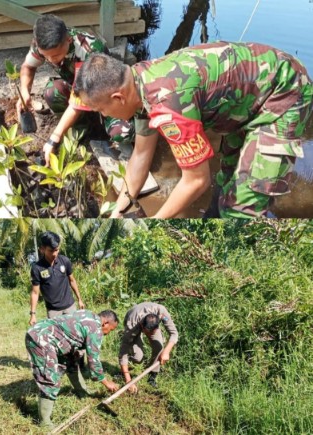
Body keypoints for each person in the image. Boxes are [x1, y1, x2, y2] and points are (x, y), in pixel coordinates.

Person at [73, 42, 313, 218]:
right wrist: (119, 210)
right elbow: (140, 156)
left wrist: (154, 224)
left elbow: (197, 180)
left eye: (101, 110)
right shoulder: (138, 82)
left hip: (284, 91)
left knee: (243, 207)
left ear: (118, 97)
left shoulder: (168, 105)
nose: (103, 116)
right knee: (227, 177)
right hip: (248, 97)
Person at [16, 14, 134, 166]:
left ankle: (103, 125)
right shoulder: (42, 44)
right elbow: (28, 66)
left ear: (68, 40)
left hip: (107, 97)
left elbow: (76, 101)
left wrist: (54, 138)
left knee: (122, 134)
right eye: (47, 57)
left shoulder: (89, 50)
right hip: (80, 91)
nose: (51, 60)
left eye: (56, 55)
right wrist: (25, 91)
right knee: (53, 92)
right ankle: (82, 128)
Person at [25, 309, 120, 429]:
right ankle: (44, 422)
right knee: (49, 379)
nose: (107, 333)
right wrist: (107, 383)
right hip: (41, 339)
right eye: (110, 330)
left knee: (71, 361)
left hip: (46, 334)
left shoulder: (87, 314)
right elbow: (93, 361)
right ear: (105, 323)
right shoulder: (96, 329)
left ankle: (81, 391)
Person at [118, 302, 179, 392]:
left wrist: (166, 351)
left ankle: (152, 377)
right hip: (134, 322)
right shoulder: (131, 324)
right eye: (148, 333)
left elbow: (174, 333)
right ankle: (124, 369)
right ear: (143, 327)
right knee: (138, 358)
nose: (150, 335)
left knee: (159, 347)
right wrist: (128, 381)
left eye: (152, 333)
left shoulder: (161, 312)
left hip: (149, 324)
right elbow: (123, 352)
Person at [29, 231, 85, 324]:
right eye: (51, 251)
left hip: (70, 307)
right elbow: (35, 293)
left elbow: (72, 281)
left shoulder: (64, 261)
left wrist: (79, 299)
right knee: (57, 336)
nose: (55, 254)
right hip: (53, 311)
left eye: (57, 250)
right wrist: (33, 314)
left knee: (74, 333)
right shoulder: (37, 268)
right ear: (42, 249)